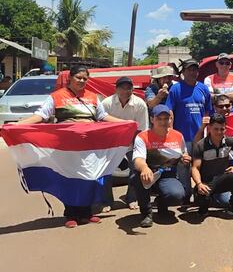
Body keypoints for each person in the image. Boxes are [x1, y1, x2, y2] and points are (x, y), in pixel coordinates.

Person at [19, 64, 124, 228]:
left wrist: (125, 123)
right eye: (79, 78)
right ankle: (71, 214)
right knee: (69, 178)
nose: (82, 81)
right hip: (66, 147)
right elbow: (40, 115)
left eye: (85, 78)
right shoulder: (56, 96)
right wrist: (18, 125)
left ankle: (87, 213)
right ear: (70, 78)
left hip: (89, 146)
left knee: (89, 177)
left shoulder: (93, 97)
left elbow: (103, 116)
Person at [131, 105, 191, 228]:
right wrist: (144, 168)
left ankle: (162, 204)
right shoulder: (142, 137)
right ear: (152, 119)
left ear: (170, 119)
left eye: (166, 118)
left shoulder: (178, 136)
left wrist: (185, 159)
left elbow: (183, 154)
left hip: (168, 175)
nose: (163, 122)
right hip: (149, 174)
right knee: (138, 177)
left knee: (178, 195)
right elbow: (138, 159)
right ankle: (146, 213)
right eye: (159, 119)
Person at [101, 76, 149, 211]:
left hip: (132, 142)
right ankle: (107, 201)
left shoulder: (140, 104)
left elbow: (142, 130)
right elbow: (101, 126)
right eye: (122, 88)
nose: (126, 91)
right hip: (110, 143)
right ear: (116, 89)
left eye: (129, 88)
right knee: (105, 170)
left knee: (136, 168)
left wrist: (131, 146)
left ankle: (132, 198)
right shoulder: (106, 103)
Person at [166, 59, 212, 196]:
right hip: (182, 137)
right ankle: (186, 194)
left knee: (200, 165)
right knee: (183, 166)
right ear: (183, 72)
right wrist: (171, 133)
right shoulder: (175, 89)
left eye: (195, 70)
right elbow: (170, 111)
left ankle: (201, 192)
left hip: (200, 138)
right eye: (189, 70)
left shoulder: (203, 88)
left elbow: (209, 111)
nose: (192, 72)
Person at [190, 113, 233, 217]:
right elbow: (195, 168)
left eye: (222, 129)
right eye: (216, 129)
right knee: (201, 202)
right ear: (210, 128)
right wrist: (199, 184)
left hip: (222, 178)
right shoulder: (201, 145)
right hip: (207, 182)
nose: (219, 132)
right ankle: (204, 206)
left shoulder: (229, 141)